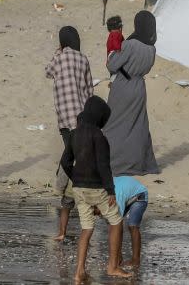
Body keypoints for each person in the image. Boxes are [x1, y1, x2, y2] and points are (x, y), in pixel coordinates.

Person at [60, 96, 132, 282]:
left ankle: (79, 272)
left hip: (78, 189)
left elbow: (65, 161)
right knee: (116, 222)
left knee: (87, 228)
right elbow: (103, 166)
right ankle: (113, 266)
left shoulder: (74, 134)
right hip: (97, 188)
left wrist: (75, 177)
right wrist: (110, 191)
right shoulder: (99, 136)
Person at [45, 25, 93, 240]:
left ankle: (61, 185)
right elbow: (89, 89)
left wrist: (58, 52)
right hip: (82, 113)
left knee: (69, 151)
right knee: (76, 151)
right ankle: (70, 186)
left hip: (64, 115)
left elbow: (47, 72)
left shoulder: (60, 57)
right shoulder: (83, 59)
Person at [104, 11, 160, 176]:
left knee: (114, 125)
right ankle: (140, 164)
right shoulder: (151, 49)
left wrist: (112, 52)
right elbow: (146, 69)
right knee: (138, 127)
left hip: (123, 86)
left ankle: (113, 162)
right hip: (139, 87)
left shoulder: (130, 45)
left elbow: (112, 65)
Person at [114, 175, 148, 268]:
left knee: (132, 226)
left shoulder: (117, 195)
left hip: (140, 195)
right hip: (127, 194)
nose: (96, 215)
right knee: (113, 224)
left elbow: (118, 225)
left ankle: (136, 260)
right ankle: (118, 257)